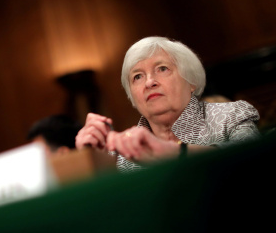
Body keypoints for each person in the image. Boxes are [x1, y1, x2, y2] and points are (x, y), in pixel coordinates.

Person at [75, 36, 260, 173]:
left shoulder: (231, 115)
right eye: (137, 76)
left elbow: (251, 160)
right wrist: (91, 159)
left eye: (162, 69)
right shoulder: (122, 155)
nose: (149, 82)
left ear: (191, 81)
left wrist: (173, 152)